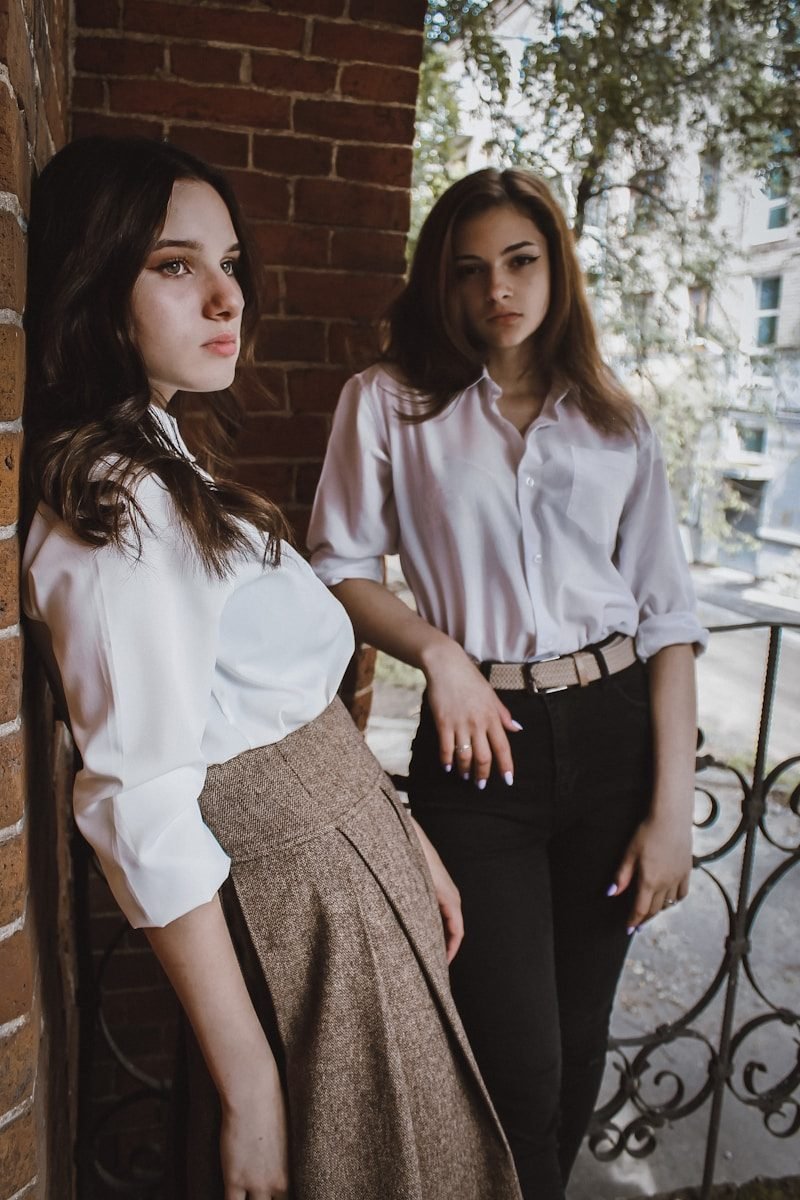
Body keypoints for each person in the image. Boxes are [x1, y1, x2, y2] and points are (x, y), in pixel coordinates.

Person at [21, 138, 525, 1200]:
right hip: (302, 908)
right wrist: (250, 1083)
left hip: (349, 870)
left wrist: (398, 840)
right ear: (95, 282)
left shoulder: (161, 457)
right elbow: (140, 805)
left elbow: (271, 710)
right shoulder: (120, 514)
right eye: (174, 265)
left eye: (230, 262)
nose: (224, 295)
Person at [308, 167, 707, 1200]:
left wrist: (671, 810)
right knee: (512, 1065)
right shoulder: (387, 405)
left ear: (554, 268)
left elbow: (666, 621)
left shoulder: (617, 423)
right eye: (471, 269)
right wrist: (437, 654)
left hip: (616, 739)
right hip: (478, 744)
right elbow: (339, 564)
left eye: (520, 261)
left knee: (575, 1058)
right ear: (439, 283)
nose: (499, 289)